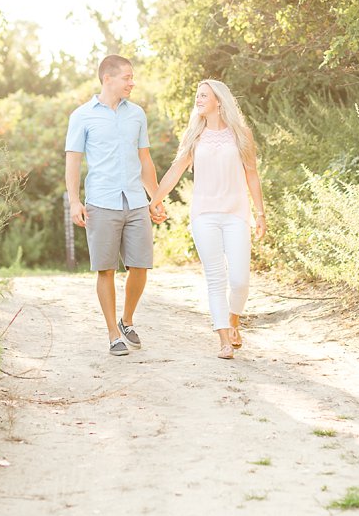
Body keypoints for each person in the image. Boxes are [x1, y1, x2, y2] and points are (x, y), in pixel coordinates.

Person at [150, 80, 266, 359]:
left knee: (240, 280)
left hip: (236, 214)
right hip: (204, 216)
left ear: (219, 100)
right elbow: (176, 169)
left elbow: (252, 174)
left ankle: (233, 320)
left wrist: (260, 213)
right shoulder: (194, 136)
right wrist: (154, 198)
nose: (198, 99)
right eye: (197, 96)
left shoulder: (241, 135)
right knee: (216, 278)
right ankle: (224, 340)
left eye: (204, 95)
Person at [66, 55, 166, 357]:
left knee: (140, 266)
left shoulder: (136, 114)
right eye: (127, 77)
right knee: (105, 269)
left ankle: (127, 320)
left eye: (132, 77)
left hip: (135, 201)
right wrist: (74, 201)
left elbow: (144, 159)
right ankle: (113, 334)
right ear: (107, 78)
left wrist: (156, 198)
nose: (132, 82)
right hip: (101, 201)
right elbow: (73, 161)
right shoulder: (81, 116)